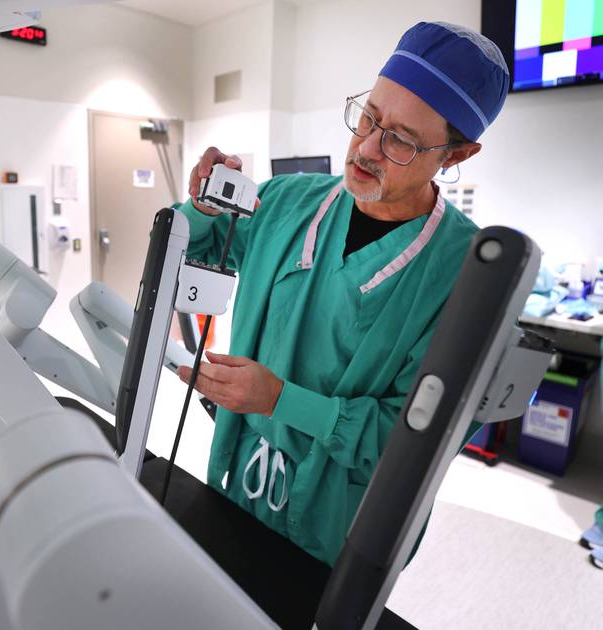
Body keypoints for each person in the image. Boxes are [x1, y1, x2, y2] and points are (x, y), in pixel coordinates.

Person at [175, 22, 510, 566]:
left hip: (342, 530)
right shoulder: (287, 203)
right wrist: (208, 203)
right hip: (237, 483)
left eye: (400, 138)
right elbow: (198, 247)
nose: (367, 147)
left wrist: (280, 401)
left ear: (457, 155)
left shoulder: (471, 281)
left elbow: (416, 445)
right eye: (370, 117)